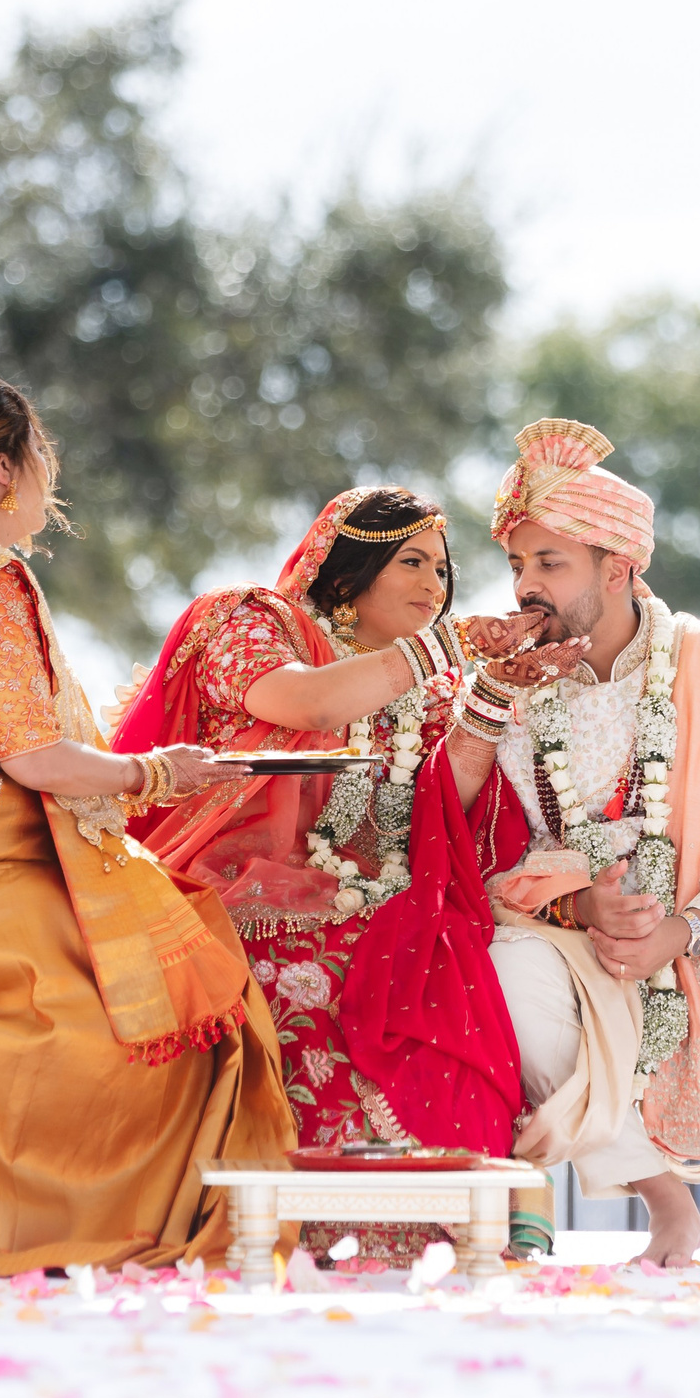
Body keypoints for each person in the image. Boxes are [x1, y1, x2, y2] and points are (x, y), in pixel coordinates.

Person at [350, 418, 700, 1269]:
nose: (526, 587)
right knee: (507, 979)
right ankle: (669, 1206)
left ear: (619, 570)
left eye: (549, 564)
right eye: (518, 564)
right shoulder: (513, 690)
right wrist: (577, 900)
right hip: (573, 940)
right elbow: (470, 848)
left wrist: (687, 925)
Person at [0, 372, 293, 1275]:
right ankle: (60, 1233)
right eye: (40, 461)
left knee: (160, 963)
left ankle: (21, 1220)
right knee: (151, 1006)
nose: (47, 481)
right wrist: (159, 769)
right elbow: (34, 759)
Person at [110, 488, 549, 1262]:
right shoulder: (252, 621)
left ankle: (448, 1212)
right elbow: (304, 703)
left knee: (447, 977)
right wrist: (451, 647)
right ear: (347, 570)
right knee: (303, 981)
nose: (434, 587)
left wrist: (496, 697)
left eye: (443, 571)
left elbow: (452, 803)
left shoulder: (433, 682)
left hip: (382, 899)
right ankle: (268, 1220)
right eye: (411, 561)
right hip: (232, 889)